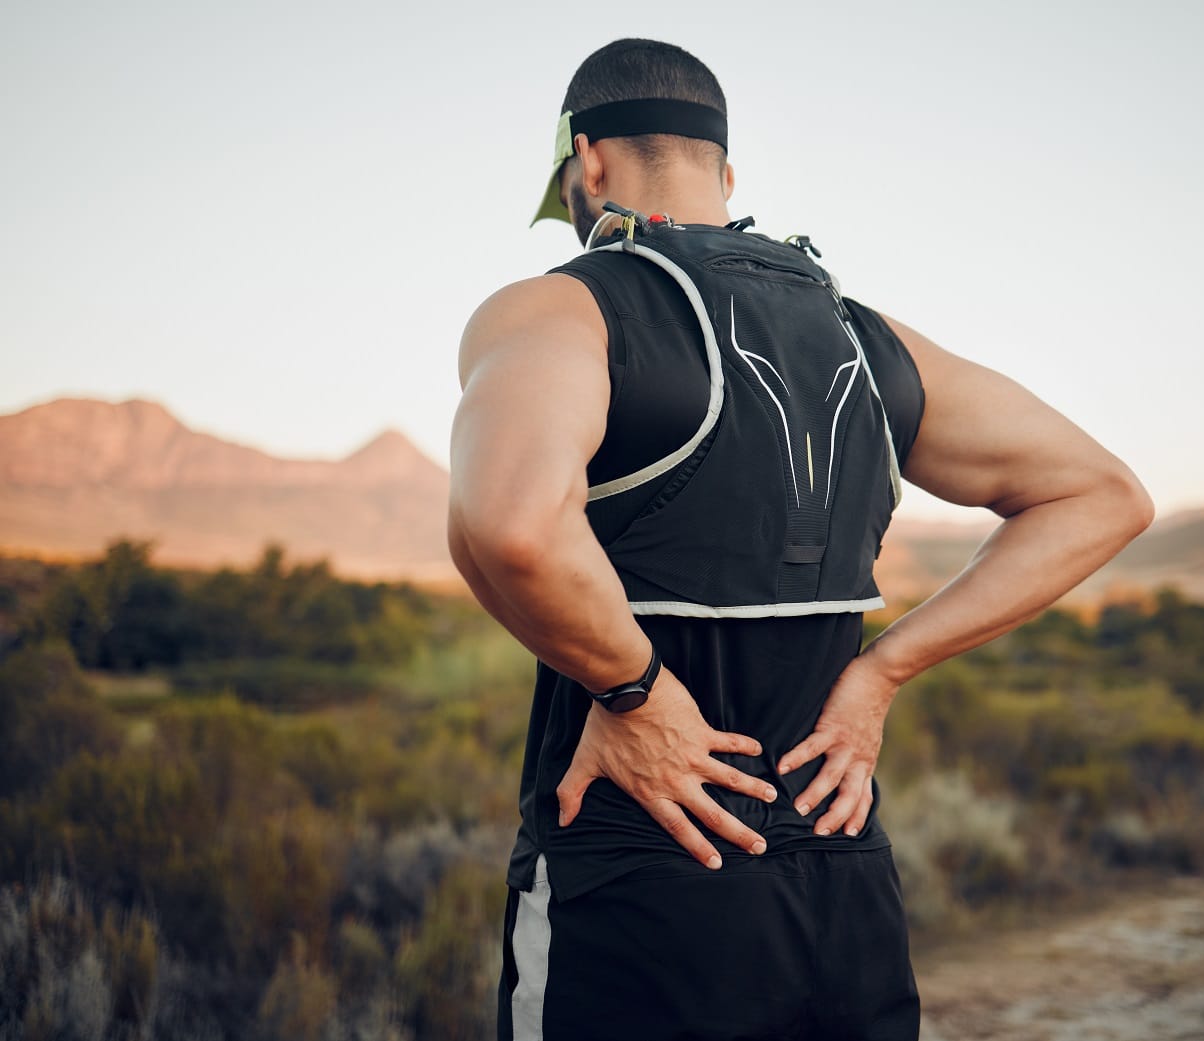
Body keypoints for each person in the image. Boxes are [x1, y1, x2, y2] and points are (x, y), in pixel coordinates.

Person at [447, 37, 1155, 1041]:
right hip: (842, 867)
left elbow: (508, 528)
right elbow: (1104, 494)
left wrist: (635, 695)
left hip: (644, 864)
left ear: (588, 162)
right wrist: (882, 673)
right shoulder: (867, 339)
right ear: (725, 174)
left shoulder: (561, 308)